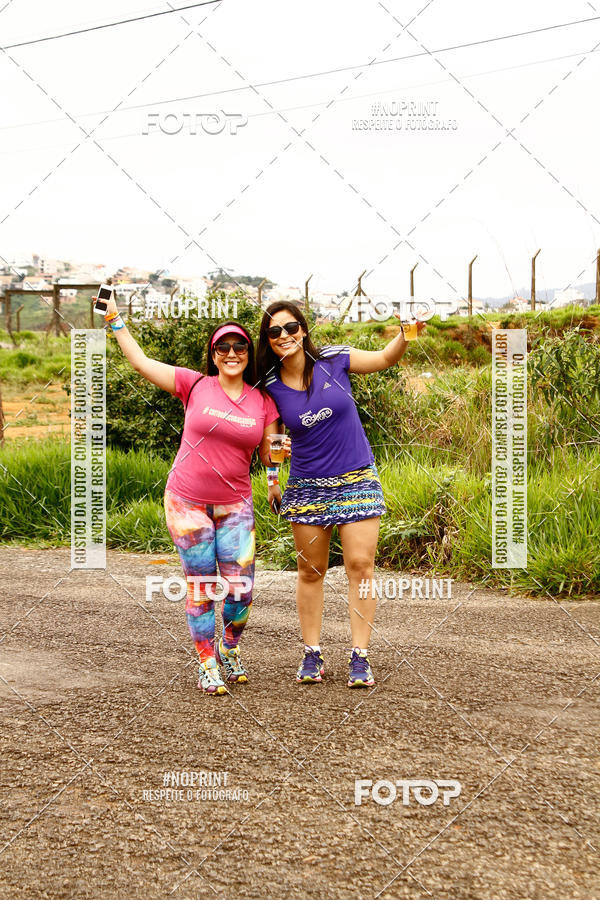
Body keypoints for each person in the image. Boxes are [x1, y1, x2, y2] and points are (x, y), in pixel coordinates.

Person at [100, 298, 288, 695]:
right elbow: (141, 363)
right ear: (213, 354)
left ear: (248, 353)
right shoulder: (195, 385)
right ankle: (206, 663)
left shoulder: (263, 401)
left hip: (236, 506)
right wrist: (115, 318)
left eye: (240, 347)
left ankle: (229, 647)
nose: (232, 353)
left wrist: (275, 474)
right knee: (201, 585)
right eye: (223, 347)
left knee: (241, 588)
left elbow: (269, 453)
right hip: (186, 502)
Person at [256, 301, 425, 688]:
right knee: (310, 571)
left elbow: (385, 358)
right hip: (307, 486)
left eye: (291, 327)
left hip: (357, 477)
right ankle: (312, 653)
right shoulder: (271, 384)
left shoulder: (334, 359)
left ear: (303, 329)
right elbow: (275, 439)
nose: (285, 336)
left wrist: (407, 333)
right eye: (275, 332)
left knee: (361, 566)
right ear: (268, 340)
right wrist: (272, 479)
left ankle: (360, 657)